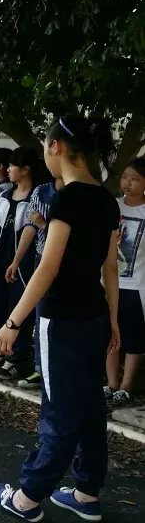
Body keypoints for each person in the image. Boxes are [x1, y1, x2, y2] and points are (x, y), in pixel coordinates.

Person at [0, 114, 120, 523]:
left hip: (61, 320)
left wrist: (12, 322)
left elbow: (48, 267)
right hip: (95, 316)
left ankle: (27, 496)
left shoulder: (67, 199)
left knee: (60, 410)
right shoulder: (107, 200)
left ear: (56, 147)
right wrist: (114, 321)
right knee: (89, 405)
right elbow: (110, 269)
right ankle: (86, 491)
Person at [0, 147, 50, 379]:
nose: (8, 170)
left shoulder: (35, 199)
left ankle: (18, 359)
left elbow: (32, 231)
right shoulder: (3, 197)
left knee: (18, 309)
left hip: (22, 266)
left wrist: (17, 261)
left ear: (26, 169)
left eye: (12, 165)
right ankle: (2, 352)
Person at [11, 175, 64, 390]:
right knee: (41, 314)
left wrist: (44, 224)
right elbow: (30, 226)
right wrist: (16, 260)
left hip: (69, 262)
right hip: (42, 258)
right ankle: (40, 369)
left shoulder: (80, 193)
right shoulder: (41, 192)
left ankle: (57, 369)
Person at [105, 157, 145, 404]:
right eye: (125, 177)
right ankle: (111, 384)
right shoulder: (114, 207)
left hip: (137, 286)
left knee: (133, 338)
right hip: (110, 284)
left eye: (135, 179)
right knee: (110, 336)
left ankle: (126, 386)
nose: (127, 183)